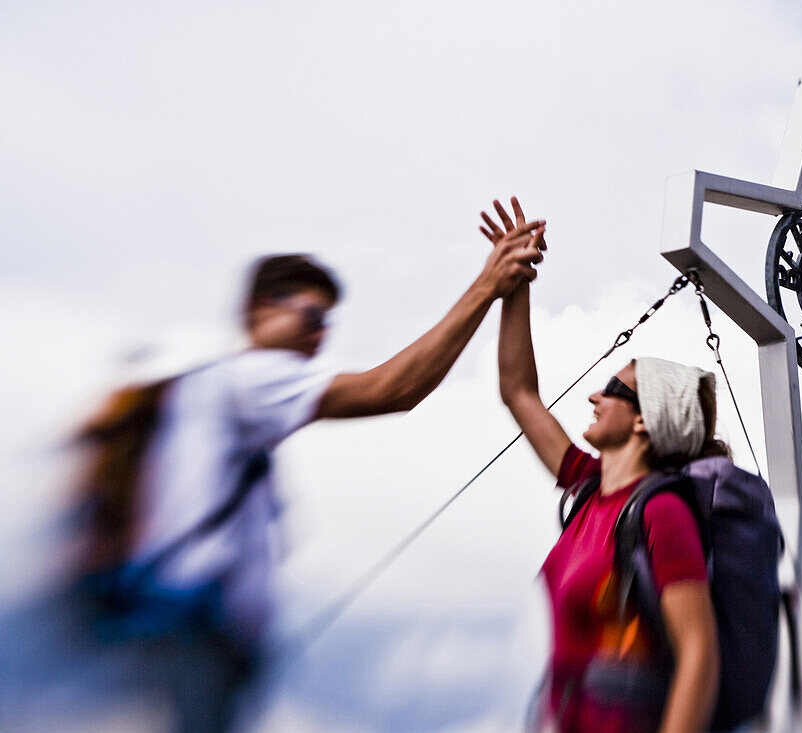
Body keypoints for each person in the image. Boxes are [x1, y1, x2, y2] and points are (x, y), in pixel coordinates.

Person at [74, 211, 547, 732]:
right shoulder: (254, 377)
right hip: (192, 636)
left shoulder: (207, 391)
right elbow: (392, 389)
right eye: (309, 317)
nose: (319, 336)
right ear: (258, 310)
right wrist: (487, 287)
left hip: (177, 631)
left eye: (327, 323)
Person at [483, 198, 720, 732]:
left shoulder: (662, 514)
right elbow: (519, 392)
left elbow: (699, 655)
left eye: (613, 389)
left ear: (643, 421)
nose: (593, 395)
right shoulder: (588, 489)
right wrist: (515, 280)